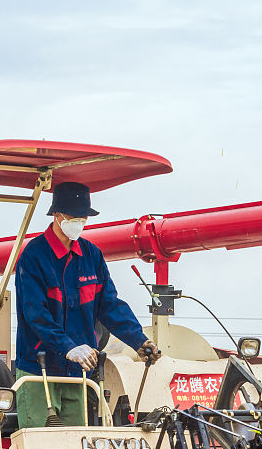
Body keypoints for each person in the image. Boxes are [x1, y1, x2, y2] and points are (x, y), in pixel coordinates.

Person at [14, 181, 161, 428]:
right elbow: (35, 315)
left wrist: (139, 341)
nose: (79, 224)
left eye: (83, 218)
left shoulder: (92, 256)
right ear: (57, 216)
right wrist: (68, 347)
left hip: (78, 373)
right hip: (38, 372)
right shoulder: (33, 256)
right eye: (74, 217)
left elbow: (110, 304)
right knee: (39, 447)